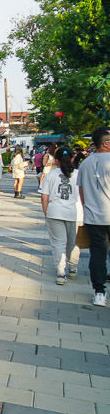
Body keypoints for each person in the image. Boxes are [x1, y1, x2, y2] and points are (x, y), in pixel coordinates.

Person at [77, 127, 110, 306]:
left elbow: (81, 191)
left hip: (93, 217)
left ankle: (99, 292)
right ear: (105, 143)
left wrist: (87, 210)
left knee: (97, 255)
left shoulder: (85, 163)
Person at [40, 146, 81, 285]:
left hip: (55, 212)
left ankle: (60, 271)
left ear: (56, 160)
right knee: (73, 242)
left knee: (58, 243)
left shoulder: (51, 175)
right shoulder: (78, 174)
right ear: (73, 158)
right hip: (76, 213)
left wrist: (46, 212)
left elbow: (44, 196)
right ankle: (73, 267)